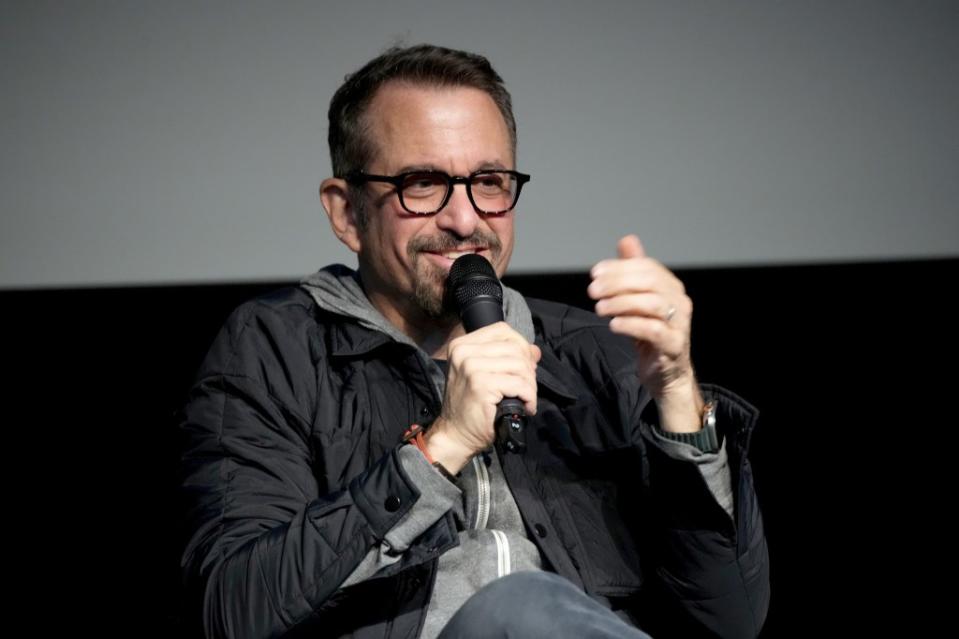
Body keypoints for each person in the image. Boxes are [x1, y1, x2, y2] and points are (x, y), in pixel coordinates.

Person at [179, 44, 769, 639]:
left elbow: (731, 618)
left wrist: (678, 399)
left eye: (488, 182)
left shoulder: (594, 352)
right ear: (347, 213)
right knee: (522, 604)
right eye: (423, 183)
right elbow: (235, 610)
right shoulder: (274, 349)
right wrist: (440, 447)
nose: (465, 220)